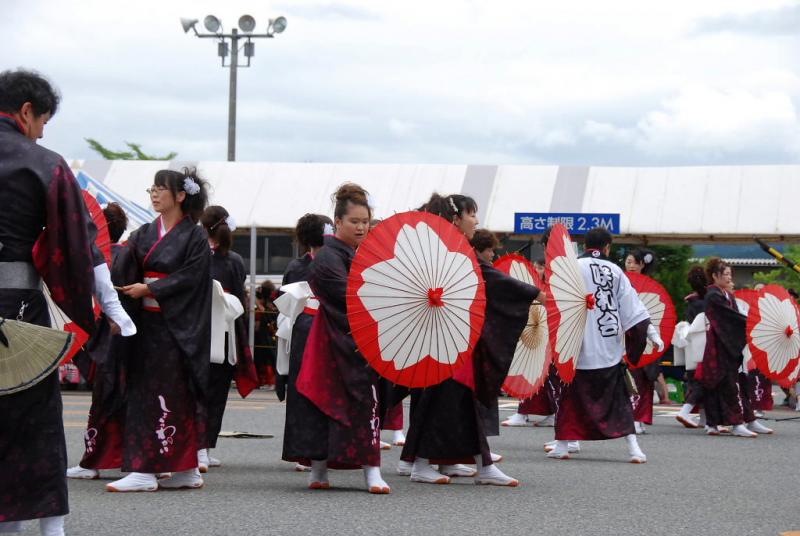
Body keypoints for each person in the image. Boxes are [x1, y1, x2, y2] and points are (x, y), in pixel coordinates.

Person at [0, 69, 134, 536]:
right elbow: (78, 245)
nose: (40, 133)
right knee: (32, 419)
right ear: (26, 112)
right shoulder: (44, 163)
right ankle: (48, 525)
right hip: (17, 311)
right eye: (42, 123)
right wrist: (109, 306)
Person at [400, 194, 542, 486]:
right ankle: (423, 463)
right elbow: (490, 277)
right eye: (472, 214)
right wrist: (532, 293)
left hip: (452, 333)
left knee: (458, 399)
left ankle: (454, 462)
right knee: (442, 399)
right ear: (456, 218)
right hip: (444, 335)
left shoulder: (448, 244)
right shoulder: (449, 245)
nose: (476, 220)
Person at [106, 168, 212, 492]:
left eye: (161, 189)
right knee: (148, 394)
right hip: (148, 325)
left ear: (180, 196)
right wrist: (117, 312)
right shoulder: (143, 234)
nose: (154, 194)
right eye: (151, 188)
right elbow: (124, 270)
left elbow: (193, 277)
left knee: (173, 395)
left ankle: (157, 469)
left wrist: (151, 290)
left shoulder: (194, 236)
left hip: (178, 326)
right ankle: (173, 467)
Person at [293, 183, 391, 494]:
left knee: (365, 405)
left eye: (365, 221)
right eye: (354, 221)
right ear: (338, 222)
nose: (361, 227)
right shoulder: (327, 258)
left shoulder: (363, 255)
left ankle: (371, 470)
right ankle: (318, 468)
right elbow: (348, 297)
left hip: (360, 337)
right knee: (323, 402)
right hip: (332, 336)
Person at [547, 228, 660, 463]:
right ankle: (633, 448)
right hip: (608, 344)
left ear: (585, 244)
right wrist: (651, 333)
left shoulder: (571, 267)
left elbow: (555, 304)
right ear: (607, 246)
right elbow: (633, 309)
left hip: (576, 343)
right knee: (618, 399)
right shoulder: (615, 270)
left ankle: (563, 445)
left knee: (570, 398)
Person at [66, 203, 134, 480]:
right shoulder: (131, 254)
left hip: (104, 334)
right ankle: (132, 456)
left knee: (104, 400)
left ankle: (93, 461)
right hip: (131, 331)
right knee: (130, 398)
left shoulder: (92, 258)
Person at [198, 205, 259, 472]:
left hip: (196, 331)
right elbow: (241, 302)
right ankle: (206, 448)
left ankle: (196, 448)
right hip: (225, 331)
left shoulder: (193, 255)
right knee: (217, 392)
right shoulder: (233, 260)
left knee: (195, 391)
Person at [280, 213, 332, 472]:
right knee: (315, 389)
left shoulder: (295, 266)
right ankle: (313, 450)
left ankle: (305, 450)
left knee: (302, 388)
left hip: (301, 327)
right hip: (321, 327)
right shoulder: (335, 261)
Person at [697, 258, 759, 438]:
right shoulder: (713, 295)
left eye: (730, 274)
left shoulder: (726, 295)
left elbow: (734, 317)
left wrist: (748, 323)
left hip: (724, 345)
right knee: (724, 384)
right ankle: (735, 423)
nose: (729, 277)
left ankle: (713, 423)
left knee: (723, 384)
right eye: (725, 274)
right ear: (715, 276)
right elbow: (729, 318)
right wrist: (750, 323)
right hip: (718, 346)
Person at [624, 248, 665, 434]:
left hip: (646, 335)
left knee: (644, 381)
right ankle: (626, 417)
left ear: (642, 265)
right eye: (628, 261)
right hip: (624, 336)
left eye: (634, 262)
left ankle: (639, 418)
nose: (630, 265)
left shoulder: (652, 287)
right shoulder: (620, 281)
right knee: (627, 378)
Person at [675, 265, 707, 428]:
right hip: (704, 348)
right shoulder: (707, 303)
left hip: (691, 348)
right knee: (704, 384)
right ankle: (684, 412)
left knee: (697, 382)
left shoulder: (691, 303)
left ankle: (703, 418)